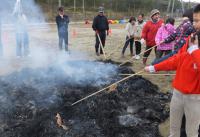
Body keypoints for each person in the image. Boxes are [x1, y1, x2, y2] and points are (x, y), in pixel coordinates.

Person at [145, 4, 200, 137]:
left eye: (198, 21)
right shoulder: (192, 38)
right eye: (194, 20)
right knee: (174, 129)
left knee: (191, 132)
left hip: (194, 97)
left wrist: (194, 51)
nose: (195, 25)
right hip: (177, 93)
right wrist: (155, 67)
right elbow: (177, 59)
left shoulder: (193, 45)